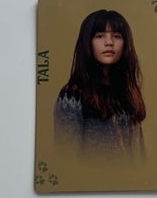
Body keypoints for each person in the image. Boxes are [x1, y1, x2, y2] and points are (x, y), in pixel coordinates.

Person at [54, 9, 146, 160]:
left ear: (125, 43)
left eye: (117, 36)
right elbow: (66, 159)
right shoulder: (72, 96)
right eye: (100, 36)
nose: (109, 42)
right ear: (88, 42)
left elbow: (140, 156)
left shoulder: (130, 92)